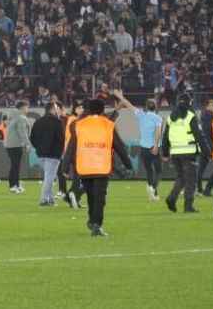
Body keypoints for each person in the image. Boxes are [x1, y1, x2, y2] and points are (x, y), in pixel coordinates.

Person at [62, 99, 133, 237]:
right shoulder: (108, 124)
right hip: (102, 166)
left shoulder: (79, 125)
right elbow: (119, 146)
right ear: (102, 110)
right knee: (100, 197)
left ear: (88, 109)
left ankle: (92, 220)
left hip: (85, 166)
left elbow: (71, 147)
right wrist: (128, 164)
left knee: (91, 196)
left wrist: (64, 167)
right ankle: (96, 224)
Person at [161, 95, 209, 213]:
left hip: (175, 153)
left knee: (181, 178)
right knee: (191, 181)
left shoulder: (171, 117)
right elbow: (198, 135)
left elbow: (165, 136)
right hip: (189, 152)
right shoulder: (190, 116)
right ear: (189, 102)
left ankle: (172, 198)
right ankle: (188, 206)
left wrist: (165, 153)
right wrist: (207, 151)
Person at [115, 92, 163, 201]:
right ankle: (153, 188)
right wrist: (156, 146)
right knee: (159, 171)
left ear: (146, 106)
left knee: (149, 170)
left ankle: (152, 190)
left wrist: (120, 96)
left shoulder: (141, 114)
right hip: (153, 147)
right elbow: (158, 133)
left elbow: (128, 104)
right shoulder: (158, 118)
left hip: (143, 148)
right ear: (155, 107)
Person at [31, 102, 65, 206]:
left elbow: (32, 138)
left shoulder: (38, 121)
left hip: (41, 154)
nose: (58, 110)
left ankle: (50, 199)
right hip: (53, 154)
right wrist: (60, 151)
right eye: (57, 108)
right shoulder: (57, 122)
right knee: (49, 178)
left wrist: (38, 148)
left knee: (48, 177)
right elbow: (61, 139)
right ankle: (44, 199)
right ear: (52, 109)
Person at [61, 100, 85, 208]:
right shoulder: (74, 120)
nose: (82, 110)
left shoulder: (72, 119)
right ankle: (72, 194)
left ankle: (70, 197)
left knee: (78, 177)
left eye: (82, 107)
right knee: (80, 177)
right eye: (79, 108)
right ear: (74, 110)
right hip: (75, 151)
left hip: (73, 151)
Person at [5, 100, 30, 194]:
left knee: (15, 165)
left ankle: (16, 184)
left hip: (10, 144)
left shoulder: (13, 116)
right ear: (23, 108)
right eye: (27, 107)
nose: (28, 109)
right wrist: (27, 143)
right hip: (16, 144)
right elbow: (22, 132)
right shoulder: (21, 118)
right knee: (15, 166)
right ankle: (13, 185)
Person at [198, 99, 213, 197]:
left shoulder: (209, 115)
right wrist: (211, 148)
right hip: (210, 146)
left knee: (201, 168)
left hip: (206, 145)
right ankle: (208, 188)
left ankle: (200, 189)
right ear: (207, 106)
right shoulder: (207, 116)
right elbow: (208, 133)